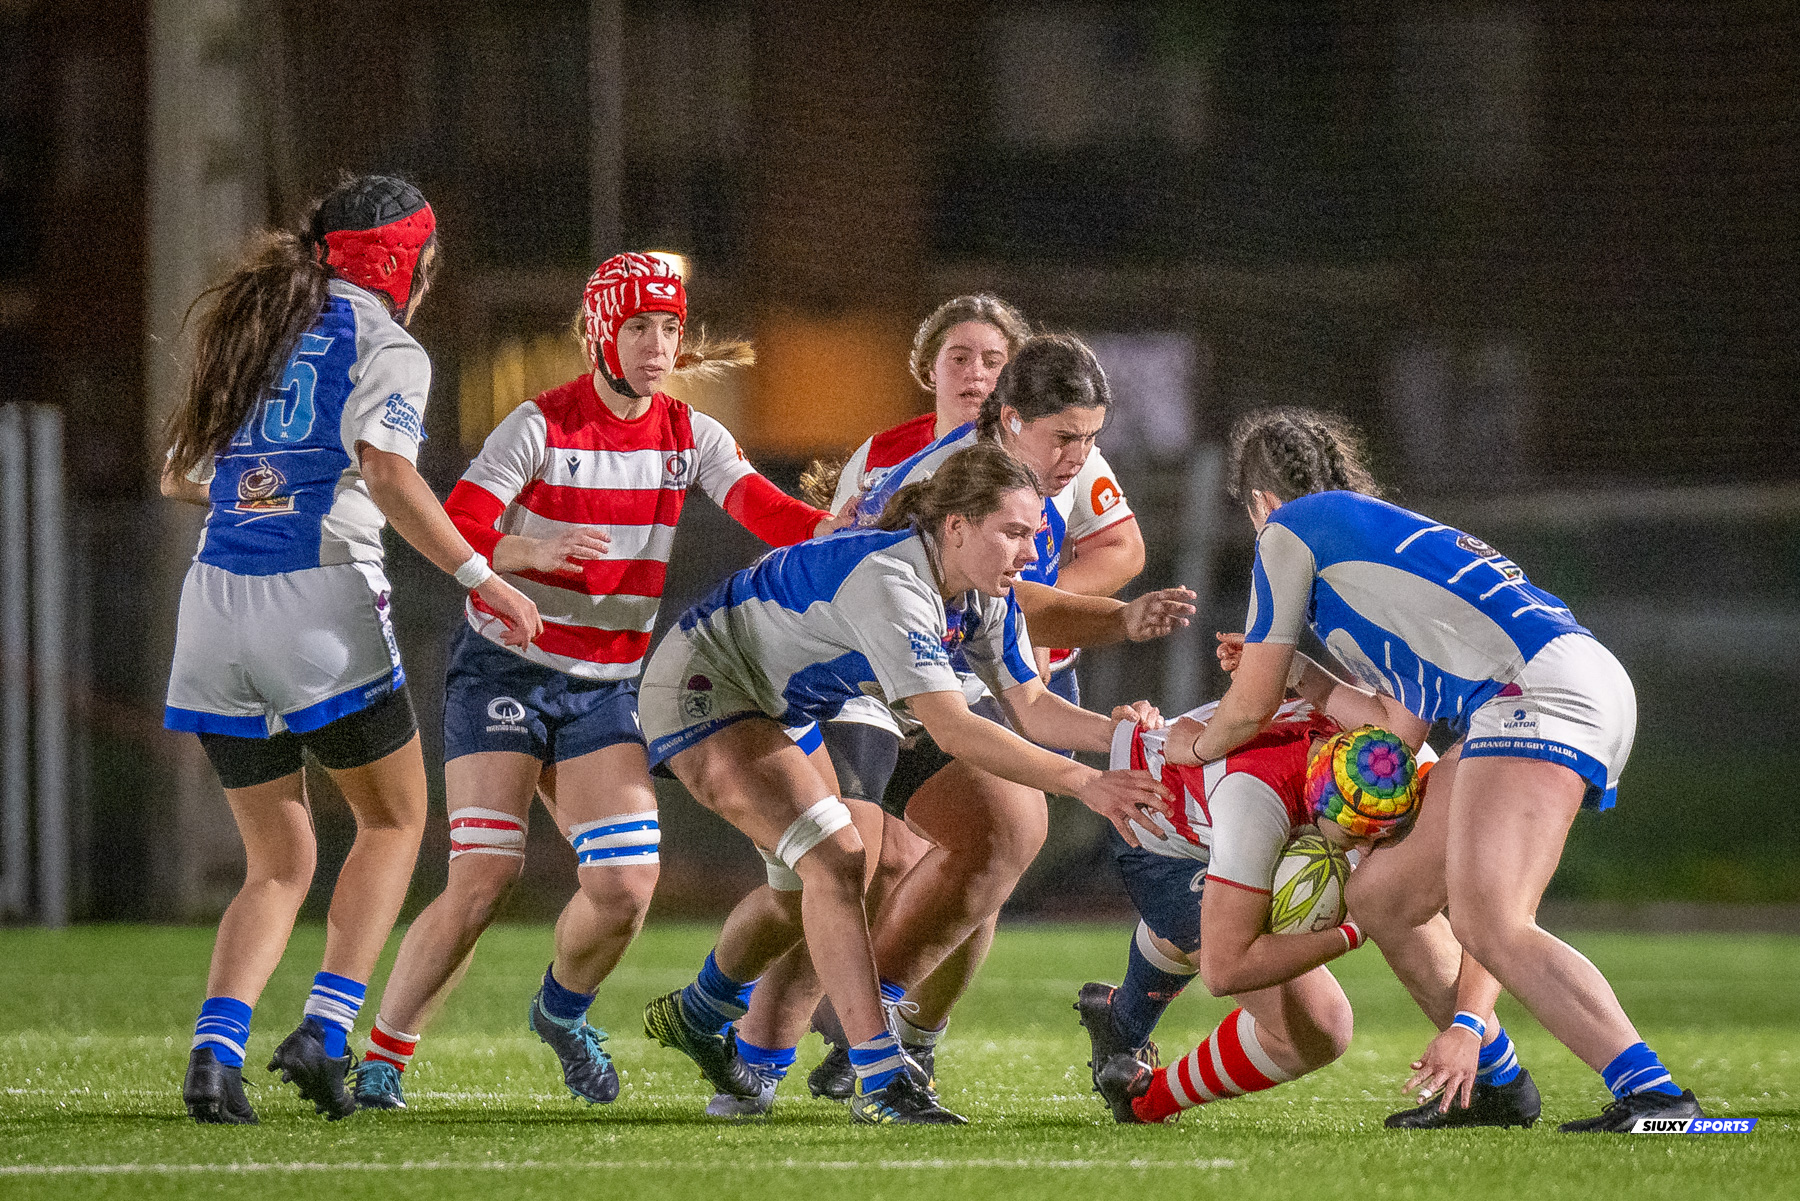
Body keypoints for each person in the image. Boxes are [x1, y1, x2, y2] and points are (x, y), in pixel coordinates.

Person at [350, 252, 841, 1112]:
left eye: (669, 329)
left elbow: (764, 509)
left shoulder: (690, 434)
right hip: (504, 670)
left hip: (606, 685)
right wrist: (526, 551)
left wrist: (848, 533)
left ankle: (561, 1013)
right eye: (639, 327)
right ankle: (384, 1056)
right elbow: (456, 523)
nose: (657, 345)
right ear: (600, 335)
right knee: (485, 876)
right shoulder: (539, 425)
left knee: (623, 888)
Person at [1167, 406, 1704, 1133]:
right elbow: (1395, 726)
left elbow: (1247, 705)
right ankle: (1495, 1085)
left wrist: (1189, 746)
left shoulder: (1288, 531)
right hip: (1552, 683)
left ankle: (1656, 1096)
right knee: (1382, 892)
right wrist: (1310, 678)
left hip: (1532, 692)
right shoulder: (1381, 551)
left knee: (1492, 919)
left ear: (1260, 504)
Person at [637, 442, 1173, 1125]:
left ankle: (697, 1011)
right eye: (1012, 533)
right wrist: (1086, 783)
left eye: (1035, 534)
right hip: (704, 683)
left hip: (783, 701)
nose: (1029, 552)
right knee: (837, 856)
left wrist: (1123, 732)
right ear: (955, 527)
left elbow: (1033, 705)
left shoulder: (986, 593)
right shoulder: (892, 579)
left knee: (797, 887)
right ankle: (883, 1078)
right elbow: (951, 727)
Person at [160, 175, 542, 1124]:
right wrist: (479, 574)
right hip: (316, 601)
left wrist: (272, 492)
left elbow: (181, 475)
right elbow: (386, 470)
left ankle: (214, 1059)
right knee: (395, 823)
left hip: (212, 607)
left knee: (278, 859)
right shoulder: (386, 343)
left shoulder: (258, 326)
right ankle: (327, 1032)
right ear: (402, 261)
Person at [726, 332, 1151, 1109]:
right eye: (1067, 437)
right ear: (1010, 416)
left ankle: (880, 1031)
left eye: (1091, 438)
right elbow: (871, 583)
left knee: (1008, 828)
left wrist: (1114, 680)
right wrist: (1097, 657)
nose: (1081, 454)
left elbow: (1078, 576)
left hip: (940, 680)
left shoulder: (1054, 463)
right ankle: (746, 1045)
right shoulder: (933, 472)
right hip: (845, 681)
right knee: (844, 863)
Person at [1081, 702, 1423, 1124]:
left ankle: (1122, 1016)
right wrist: (1352, 933)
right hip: (1156, 839)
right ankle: (1143, 1099)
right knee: (1321, 1029)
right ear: (1318, 799)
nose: (1365, 847)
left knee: (1224, 918)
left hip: (1194, 791)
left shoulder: (1385, 761)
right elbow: (1225, 972)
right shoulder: (1255, 801)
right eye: (1356, 835)